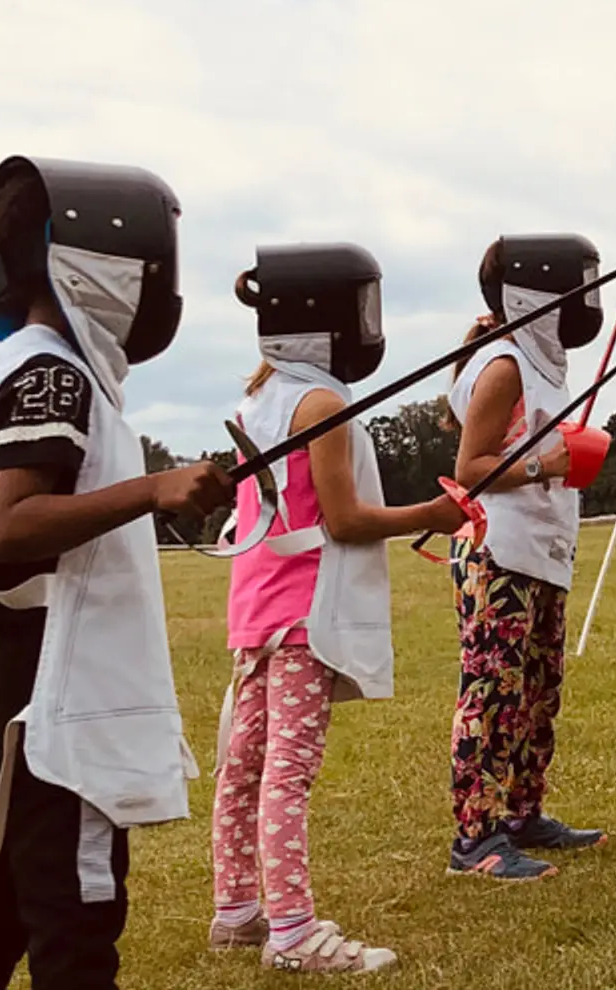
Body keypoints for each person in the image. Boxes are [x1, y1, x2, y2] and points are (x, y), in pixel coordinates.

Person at [0, 156, 232, 989]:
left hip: (30, 672)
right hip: (61, 684)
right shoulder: (53, 374)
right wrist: (155, 489)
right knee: (76, 912)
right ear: (104, 263)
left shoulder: (30, 365)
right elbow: (11, 526)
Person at [206, 245, 468, 973]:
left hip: (258, 607)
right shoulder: (319, 404)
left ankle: (237, 911)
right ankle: (292, 932)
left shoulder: (262, 398)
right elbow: (345, 519)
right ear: (322, 315)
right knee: (287, 771)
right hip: (303, 613)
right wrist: (432, 514)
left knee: (245, 766)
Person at [442, 233, 609, 881]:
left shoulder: (543, 362)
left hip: (541, 551)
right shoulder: (504, 364)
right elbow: (471, 468)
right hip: (497, 552)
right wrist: (548, 464)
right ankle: (475, 838)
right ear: (531, 295)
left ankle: (522, 814)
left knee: (538, 694)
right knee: (493, 694)